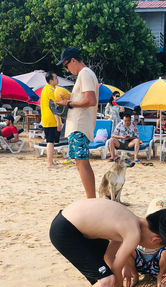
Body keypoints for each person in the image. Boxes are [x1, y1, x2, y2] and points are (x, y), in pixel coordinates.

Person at [58, 46, 99, 198]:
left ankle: (91, 199)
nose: (67, 70)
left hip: (80, 125)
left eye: (66, 65)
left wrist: (69, 104)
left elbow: (91, 100)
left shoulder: (85, 73)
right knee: (79, 162)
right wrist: (70, 99)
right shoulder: (86, 74)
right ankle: (90, 198)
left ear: (73, 60)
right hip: (79, 125)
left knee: (82, 162)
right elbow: (87, 98)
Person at [40, 71, 62, 169]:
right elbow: (53, 107)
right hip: (51, 118)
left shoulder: (46, 89)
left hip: (47, 118)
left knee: (51, 141)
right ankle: (49, 163)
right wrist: (58, 121)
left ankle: (51, 161)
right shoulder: (50, 90)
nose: (57, 79)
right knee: (50, 141)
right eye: (55, 78)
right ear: (51, 80)